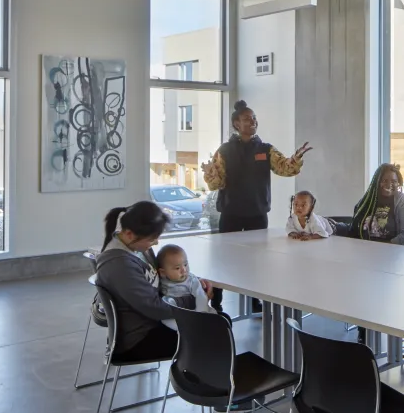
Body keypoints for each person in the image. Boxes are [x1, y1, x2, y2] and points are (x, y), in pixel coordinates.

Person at [202, 99, 312, 313]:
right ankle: (217, 302)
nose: (252, 122)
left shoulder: (265, 149)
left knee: (256, 262)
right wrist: (210, 173)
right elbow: (216, 183)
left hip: (257, 214)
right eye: (247, 119)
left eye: (254, 119)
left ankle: (254, 301)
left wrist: (296, 158)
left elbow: (285, 169)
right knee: (224, 260)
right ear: (236, 124)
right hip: (231, 213)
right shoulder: (224, 151)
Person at [95, 202, 211, 359]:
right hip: (139, 339)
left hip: (152, 323)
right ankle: (200, 380)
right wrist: (192, 299)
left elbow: (162, 271)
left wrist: (191, 281)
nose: (156, 243)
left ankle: (205, 377)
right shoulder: (120, 265)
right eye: (152, 239)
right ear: (129, 234)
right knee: (216, 329)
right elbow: (155, 308)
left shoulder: (136, 248)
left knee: (217, 321)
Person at [351, 164, 404, 345]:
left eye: (394, 181)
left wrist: (379, 252)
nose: (390, 184)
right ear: (377, 183)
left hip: (398, 264)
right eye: (386, 181)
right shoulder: (365, 203)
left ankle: (387, 336)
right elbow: (354, 231)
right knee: (357, 283)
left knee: (371, 286)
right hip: (369, 263)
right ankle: (364, 330)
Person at [351, 164, 404, 246]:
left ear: (398, 183)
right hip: (367, 253)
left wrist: (381, 248)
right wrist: (335, 226)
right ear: (376, 182)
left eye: (394, 181)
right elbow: (354, 229)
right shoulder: (366, 201)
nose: (388, 185)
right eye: (384, 181)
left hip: (398, 254)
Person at [156, 244, 215, 314]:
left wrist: (201, 313)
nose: (184, 270)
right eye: (177, 268)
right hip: (173, 313)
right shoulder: (161, 280)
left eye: (185, 264)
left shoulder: (191, 281)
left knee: (213, 313)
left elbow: (200, 296)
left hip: (194, 311)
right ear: (163, 272)